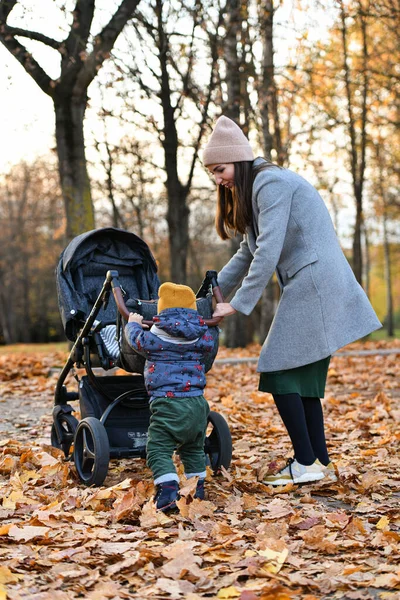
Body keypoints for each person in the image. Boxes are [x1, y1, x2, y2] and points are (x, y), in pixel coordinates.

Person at [203, 115, 381, 486]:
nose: (218, 179)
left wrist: (236, 304)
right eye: (213, 173)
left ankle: (304, 462)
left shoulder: (270, 184)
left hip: (314, 281)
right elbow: (248, 252)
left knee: (278, 367)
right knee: (302, 378)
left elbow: (268, 251)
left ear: (238, 159)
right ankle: (318, 461)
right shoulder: (255, 191)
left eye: (220, 169)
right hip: (313, 281)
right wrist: (206, 294)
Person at [124, 282, 214, 511]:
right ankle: (197, 489)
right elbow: (212, 337)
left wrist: (132, 324)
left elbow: (136, 340)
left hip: (168, 403)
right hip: (198, 403)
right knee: (194, 449)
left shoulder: (155, 339)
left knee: (158, 449)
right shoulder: (203, 337)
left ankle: (168, 491)